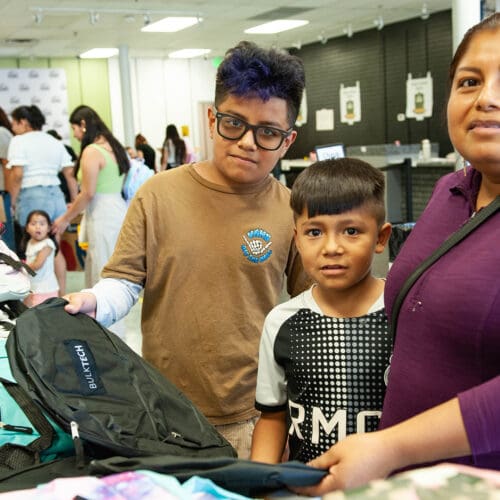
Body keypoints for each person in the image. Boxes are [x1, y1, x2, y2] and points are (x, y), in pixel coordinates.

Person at [62, 41, 309, 458]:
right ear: (213, 120)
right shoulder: (158, 194)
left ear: (287, 141)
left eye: (267, 132)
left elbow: (311, 305)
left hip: (257, 416)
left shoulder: (292, 210)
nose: (248, 142)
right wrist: (92, 302)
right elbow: (124, 282)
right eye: (234, 123)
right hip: (166, 412)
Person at [296, 12, 500, 495]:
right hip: (408, 481)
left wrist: (393, 446)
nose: (486, 98)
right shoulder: (453, 192)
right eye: (470, 81)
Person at [250, 159, 392, 464]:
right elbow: (272, 418)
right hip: (308, 488)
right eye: (314, 232)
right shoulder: (282, 322)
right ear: (296, 239)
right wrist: (260, 483)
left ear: (380, 238)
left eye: (351, 231)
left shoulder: (403, 314)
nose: (331, 247)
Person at [52, 105, 129, 291]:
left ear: (83, 124)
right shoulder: (114, 146)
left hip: (102, 214)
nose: (75, 135)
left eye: (74, 129)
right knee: (111, 269)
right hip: (118, 209)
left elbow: (88, 193)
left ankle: (102, 317)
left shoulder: (92, 151)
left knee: (102, 270)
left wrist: (65, 218)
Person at [6, 105, 78, 295]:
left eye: (14, 123)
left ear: (24, 122)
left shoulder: (19, 141)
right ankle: (60, 294)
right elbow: (70, 174)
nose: (13, 127)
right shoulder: (54, 141)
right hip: (56, 196)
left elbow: (17, 175)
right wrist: (74, 200)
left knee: (35, 247)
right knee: (54, 248)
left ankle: (36, 294)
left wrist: (10, 203)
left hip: (32, 197)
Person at [20, 210, 59, 307]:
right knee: (31, 311)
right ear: (27, 228)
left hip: (45, 289)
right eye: (33, 224)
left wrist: (21, 265)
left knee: (43, 315)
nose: (38, 227)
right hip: (33, 286)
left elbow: (38, 264)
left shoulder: (47, 244)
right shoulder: (30, 242)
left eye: (42, 224)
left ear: (49, 228)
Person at [46, 129, 78, 204]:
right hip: (67, 179)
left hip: (58, 180)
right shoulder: (66, 148)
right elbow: (75, 161)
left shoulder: (49, 150)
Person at [0, 107, 15, 251]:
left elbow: (7, 167)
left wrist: (10, 196)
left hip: (2, 194)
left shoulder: (1, 133)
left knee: (4, 240)